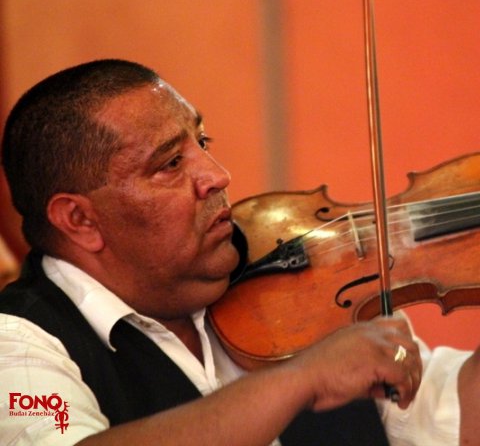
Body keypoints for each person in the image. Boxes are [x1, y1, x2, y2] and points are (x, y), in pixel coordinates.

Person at [0, 59, 474, 446]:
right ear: (79, 220)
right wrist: (301, 379)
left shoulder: (303, 294)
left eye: (202, 142)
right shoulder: (18, 344)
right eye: (170, 163)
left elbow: (452, 415)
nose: (217, 175)